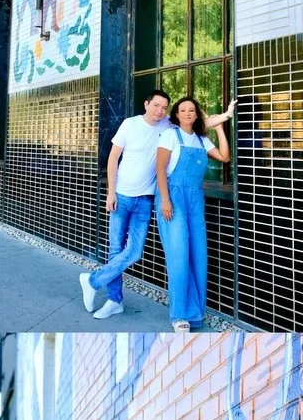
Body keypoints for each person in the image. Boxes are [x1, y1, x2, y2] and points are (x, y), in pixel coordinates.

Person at [79, 90, 173, 320]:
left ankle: (92, 280)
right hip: (121, 196)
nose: (160, 111)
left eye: (164, 107)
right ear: (146, 103)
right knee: (115, 251)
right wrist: (110, 192)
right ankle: (114, 301)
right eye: (156, 105)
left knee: (134, 252)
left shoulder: (167, 125)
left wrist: (223, 117)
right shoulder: (130, 125)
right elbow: (112, 158)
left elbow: (195, 121)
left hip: (145, 200)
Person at [156, 95, 234, 332]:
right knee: (179, 255)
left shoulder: (201, 139)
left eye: (192, 110)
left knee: (198, 254)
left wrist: (220, 128)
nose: (188, 113)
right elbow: (159, 168)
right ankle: (179, 314)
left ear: (197, 114)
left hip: (195, 200)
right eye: (183, 110)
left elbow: (224, 157)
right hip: (173, 197)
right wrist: (166, 200)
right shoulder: (170, 135)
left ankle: (196, 312)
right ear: (177, 115)